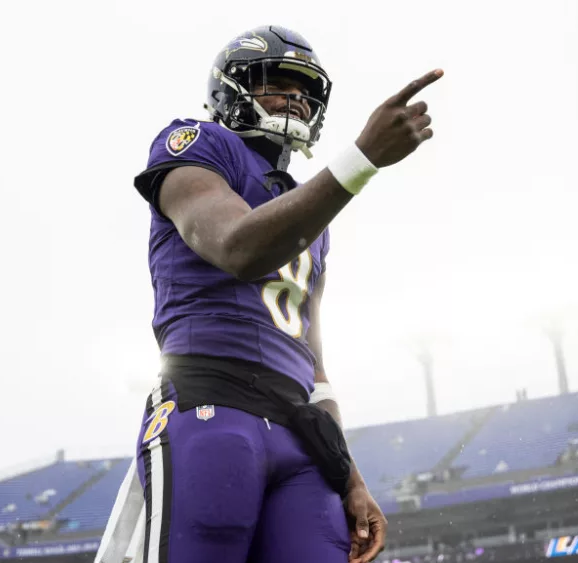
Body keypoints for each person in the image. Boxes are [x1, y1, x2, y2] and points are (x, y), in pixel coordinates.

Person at [97, 24, 441, 563]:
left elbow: (315, 365)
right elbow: (238, 248)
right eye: (277, 83)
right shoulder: (198, 144)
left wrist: (349, 475)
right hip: (211, 403)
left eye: (306, 92)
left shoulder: (311, 207)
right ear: (229, 88)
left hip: (300, 437)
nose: (296, 99)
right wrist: (361, 159)